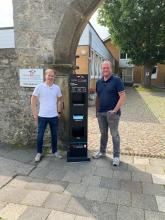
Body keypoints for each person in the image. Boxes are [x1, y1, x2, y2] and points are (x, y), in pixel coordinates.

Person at [93, 60, 126, 166]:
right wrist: (97, 111)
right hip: (101, 113)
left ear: (110, 68)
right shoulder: (99, 82)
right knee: (103, 134)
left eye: (107, 68)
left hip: (113, 114)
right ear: (101, 69)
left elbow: (123, 96)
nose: (105, 70)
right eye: (103, 68)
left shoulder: (117, 80)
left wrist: (114, 111)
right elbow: (98, 97)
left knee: (114, 135)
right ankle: (102, 152)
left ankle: (116, 156)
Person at [31, 69, 63, 162]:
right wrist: (34, 113)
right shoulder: (39, 87)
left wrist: (59, 112)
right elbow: (33, 100)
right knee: (40, 135)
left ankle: (55, 151)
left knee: (54, 135)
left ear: (54, 77)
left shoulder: (56, 88)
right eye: (49, 75)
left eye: (52, 76)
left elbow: (61, 100)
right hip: (42, 116)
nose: (51, 77)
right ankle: (39, 153)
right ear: (45, 76)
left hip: (54, 116)